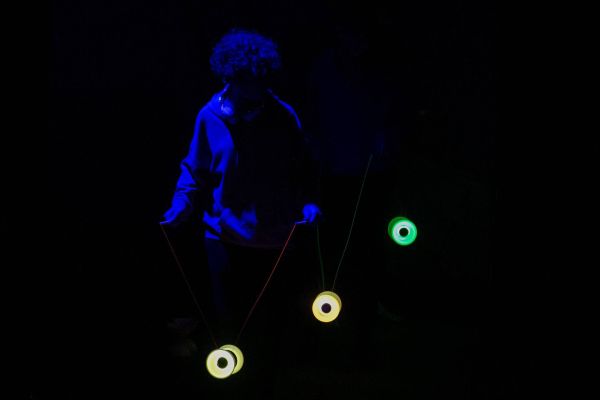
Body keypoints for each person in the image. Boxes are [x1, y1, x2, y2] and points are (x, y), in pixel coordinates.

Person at [161, 28, 321, 395]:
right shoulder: (209, 116)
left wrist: (310, 201)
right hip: (223, 238)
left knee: (269, 328)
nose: (257, 90)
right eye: (248, 82)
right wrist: (181, 204)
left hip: (274, 239)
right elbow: (195, 169)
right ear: (230, 77)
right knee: (227, 326)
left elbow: (304, 168)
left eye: (262, 82)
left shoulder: (283, 116)